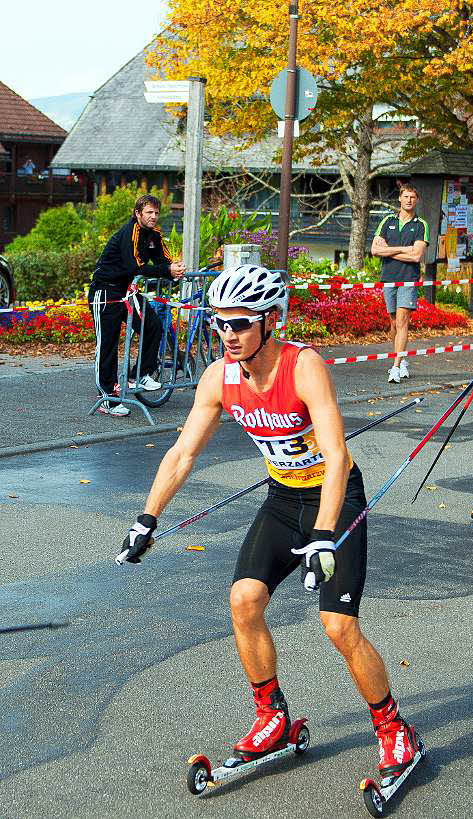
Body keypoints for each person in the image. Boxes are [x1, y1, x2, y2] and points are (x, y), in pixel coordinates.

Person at [115, 264, 420, 780]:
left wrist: (325, 535)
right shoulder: (219, 378)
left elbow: (337, 456)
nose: (228, 335)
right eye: (220, 323)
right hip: (282, 500)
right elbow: (182, 453)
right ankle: (272, 717)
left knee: (338, 626)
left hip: (335, 498)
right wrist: (147, 519)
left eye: (240, 323)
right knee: (244, 599)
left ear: (271, 320)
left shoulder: (303, 367)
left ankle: (395, 732)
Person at [88, 194, 185, 417]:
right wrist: (165, 271)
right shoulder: (130, 232)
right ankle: (107, 399)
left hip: (128, 291)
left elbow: (163, 262)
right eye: (149, 212)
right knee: (108, 346)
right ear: (138, 214)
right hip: (106, 292)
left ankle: (138, 375)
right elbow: (135, 267)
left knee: (153, 326)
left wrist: (175, 270)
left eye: (156, 213)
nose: (153, 217)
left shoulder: (154, 235)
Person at [371, 183, 429, 383]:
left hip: (408, 279)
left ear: (417, 200)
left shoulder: (421, 225)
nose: (409, 200)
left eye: (412, 197)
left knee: (403, 320)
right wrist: (405, 249)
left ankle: (395, 367)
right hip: (388, 278)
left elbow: (416, 256)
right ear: (400, 198)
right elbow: (375, 250)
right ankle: (401, 357)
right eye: (406, 196)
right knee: (394, 323)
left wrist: (390, 249)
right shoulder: (387, 221)